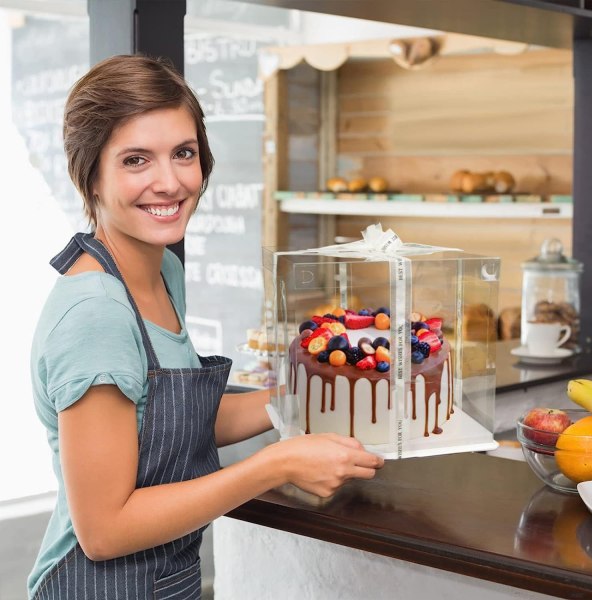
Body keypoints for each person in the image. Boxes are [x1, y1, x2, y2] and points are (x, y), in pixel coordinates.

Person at [27, 54, 384, 599]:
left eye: (183, 154)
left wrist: (299, 396)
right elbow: (104, 530)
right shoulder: (96, 315)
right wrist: (274, 465)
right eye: (136, 160)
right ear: (90, 173)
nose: (168, 182)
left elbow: (166, 422)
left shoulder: (162, 269)